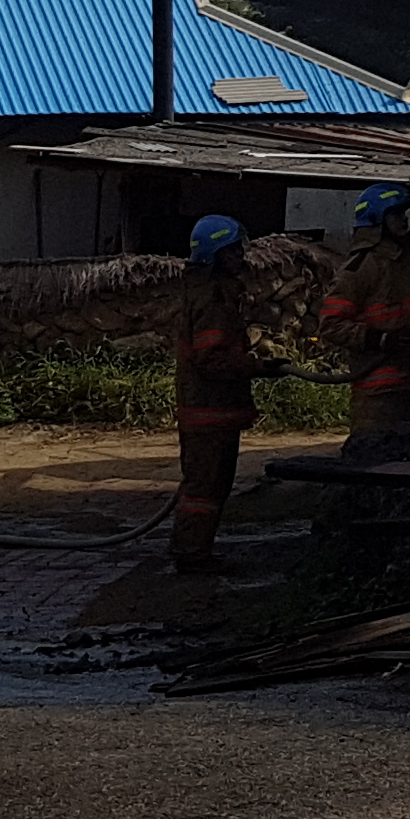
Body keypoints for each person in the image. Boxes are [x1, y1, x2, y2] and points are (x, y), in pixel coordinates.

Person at [172, 214, 282, 572]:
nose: (240, 257)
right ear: (214, 255)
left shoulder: (215, 293)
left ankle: (195, 549)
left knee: (211, 486)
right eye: (232, 250)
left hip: (212, 411)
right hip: (209, 412)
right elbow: (211, 359)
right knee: (204, 488)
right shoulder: (213, 300)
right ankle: (192, 554)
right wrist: (256, 367)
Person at [319, 183, 410, 436]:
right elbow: (331, 324)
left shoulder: (409, 264)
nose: (404, 220)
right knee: (375, 455)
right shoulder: (360, 269)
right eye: (396, 214)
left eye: (404, 214)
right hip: (378, 398)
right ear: (376, 219)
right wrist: (382, 339)